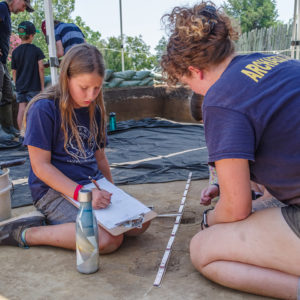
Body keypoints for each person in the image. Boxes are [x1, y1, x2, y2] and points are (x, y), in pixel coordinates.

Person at [161, 2, 300, 299]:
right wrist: (241, 182)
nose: (195, 93)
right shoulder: (275, 62)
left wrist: (209, 220)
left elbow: (236, 208)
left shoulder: (221, 99)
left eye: (188, 84)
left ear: (194, 71)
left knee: (204, 249)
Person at [0, 44, 150, 253]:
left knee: (139, 223)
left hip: (90, 186)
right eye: (84, 87)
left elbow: (100, 159)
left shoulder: (94, 109)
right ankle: (27, 233)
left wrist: (114, 194)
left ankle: (68, 225)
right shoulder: (44, 108)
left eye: (96, 88)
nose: (91, 94)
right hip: (54, 191)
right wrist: (81, 194)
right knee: (108, 240)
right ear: (66, 78)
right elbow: (40, 167)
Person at [0, 0, 34, 141]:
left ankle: (8, 127)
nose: (22, 9)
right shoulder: (1, 7)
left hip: (2, 62)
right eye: (24, 6)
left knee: (8, 93)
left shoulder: (6, 12)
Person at [11, 21, 45, 132]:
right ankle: (34, 134)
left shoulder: (15, 52)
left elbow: (14, 71)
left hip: (20, 86)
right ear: (31, 36)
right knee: (34, 109)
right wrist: (42, 87)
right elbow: (41, 68)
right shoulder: (36, 50)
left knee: (21, 109)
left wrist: (17, 85)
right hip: (34, 87)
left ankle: (22, 135)